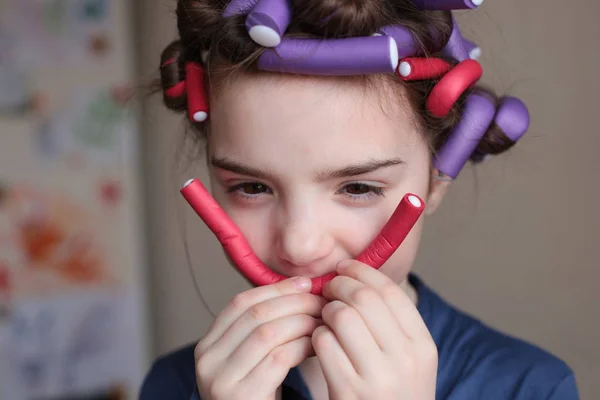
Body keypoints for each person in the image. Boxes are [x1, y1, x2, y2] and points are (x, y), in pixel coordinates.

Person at [140, 0, 579, 398]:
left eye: (358, 187)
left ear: (436, 179)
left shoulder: (533, 386)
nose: (299, 245)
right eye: (252, 187)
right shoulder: (172, 385)